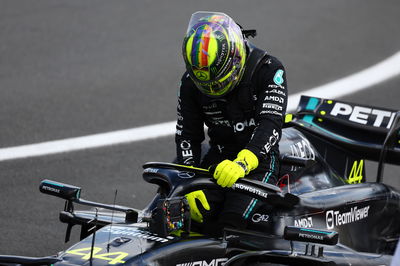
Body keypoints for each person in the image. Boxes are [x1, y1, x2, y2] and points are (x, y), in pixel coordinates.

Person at [175, 11, 287, 235]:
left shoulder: (269, 70)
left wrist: (242, 163)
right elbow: (187, 135)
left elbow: (270, 124)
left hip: (259, 163)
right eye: (203, 80)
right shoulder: (189, 83)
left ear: (234, 58)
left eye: (216, 79)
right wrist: (189, 180)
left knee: (231, 226)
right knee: (183, 219)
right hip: (218, 156)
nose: (210, 89)